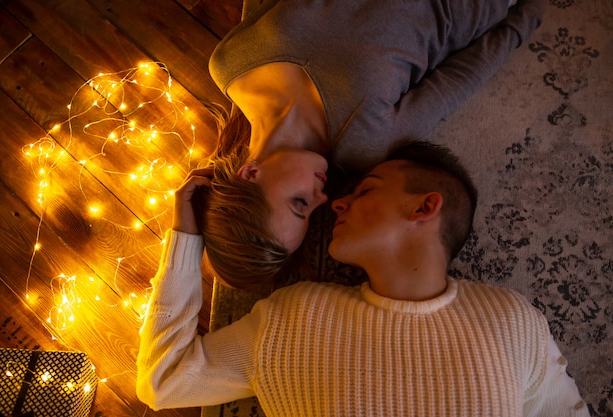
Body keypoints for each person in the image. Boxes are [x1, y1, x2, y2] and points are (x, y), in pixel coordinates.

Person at [137, 141, 589, 416]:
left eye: (367, 190)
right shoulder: (294, 317)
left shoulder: (512, 319)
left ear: (424, 208)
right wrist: (184, 236)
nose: (335, 202)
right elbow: (165, 380)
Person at [201, 0, 548, 290]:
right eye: (312, 211)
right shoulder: (364, 142)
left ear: (249, 173)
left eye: (299, 202)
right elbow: (460, 77)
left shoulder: (229, 64)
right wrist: (528, 13)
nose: (323, 198)